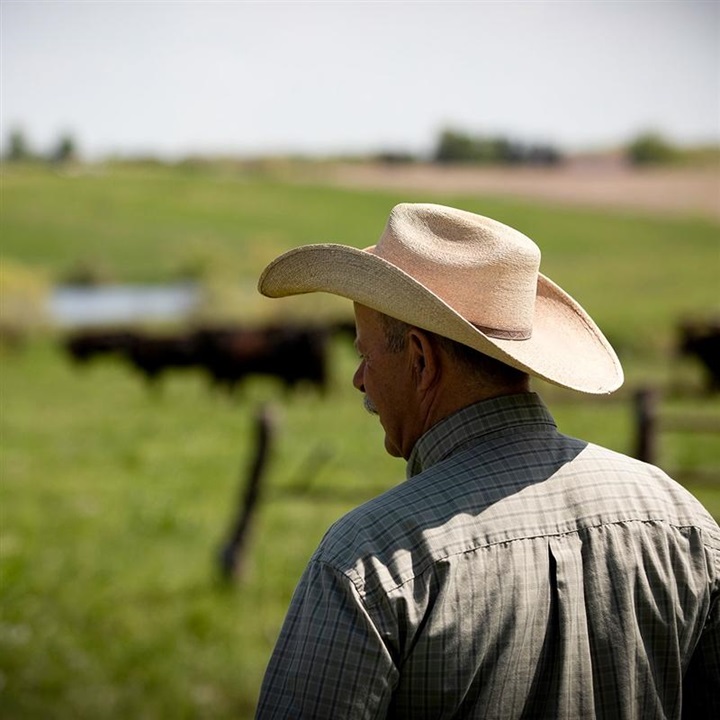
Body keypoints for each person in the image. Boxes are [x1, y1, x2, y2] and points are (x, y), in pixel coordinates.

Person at [254, 203, 719, 719]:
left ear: (421, 360)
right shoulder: (682, 520)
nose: (359, 379)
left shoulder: (371, 562)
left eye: (366, 355)